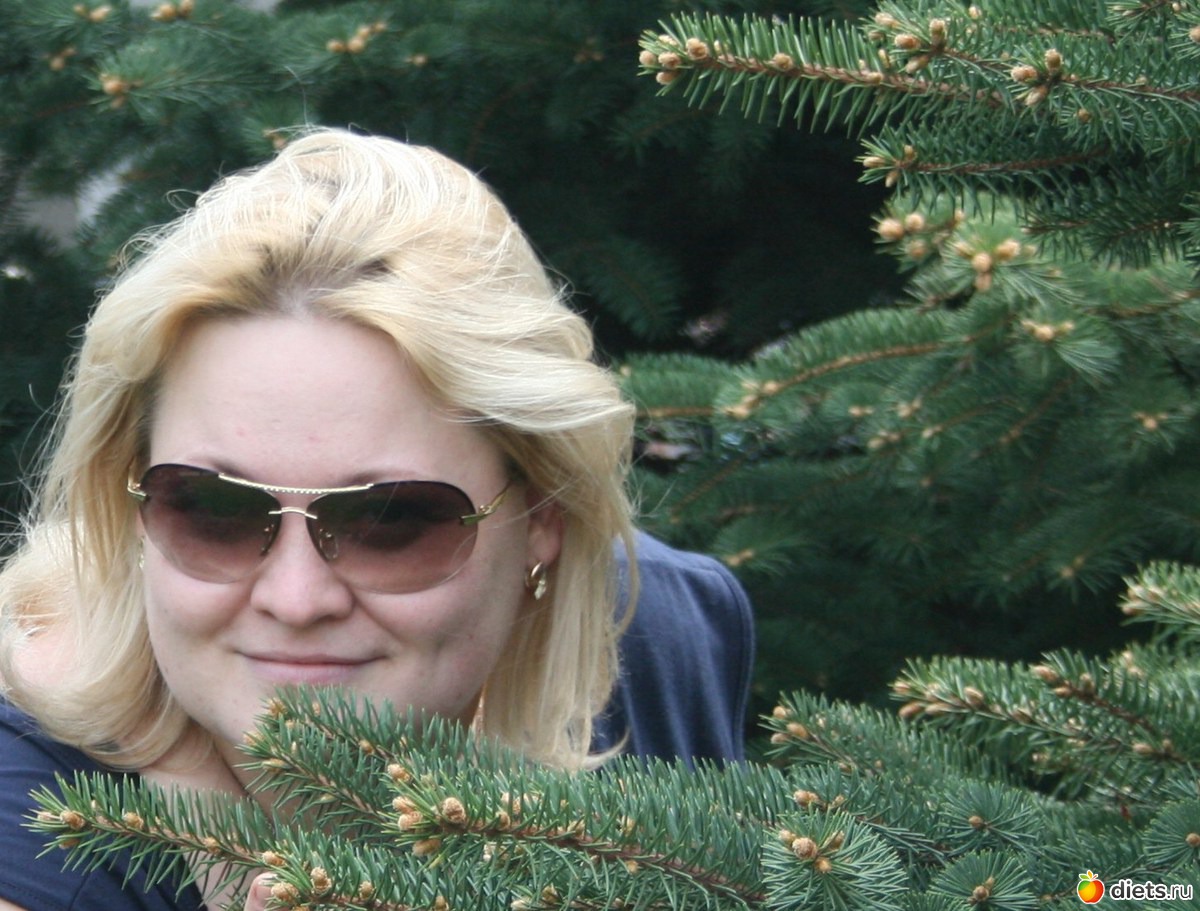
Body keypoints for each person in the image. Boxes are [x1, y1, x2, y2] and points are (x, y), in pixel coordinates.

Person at [0, 128, 754, 911]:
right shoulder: (38, 815)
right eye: (214, 508)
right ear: (130, 501)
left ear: (544, 512)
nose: (296, 598)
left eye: (390, 520)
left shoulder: (661, 633)